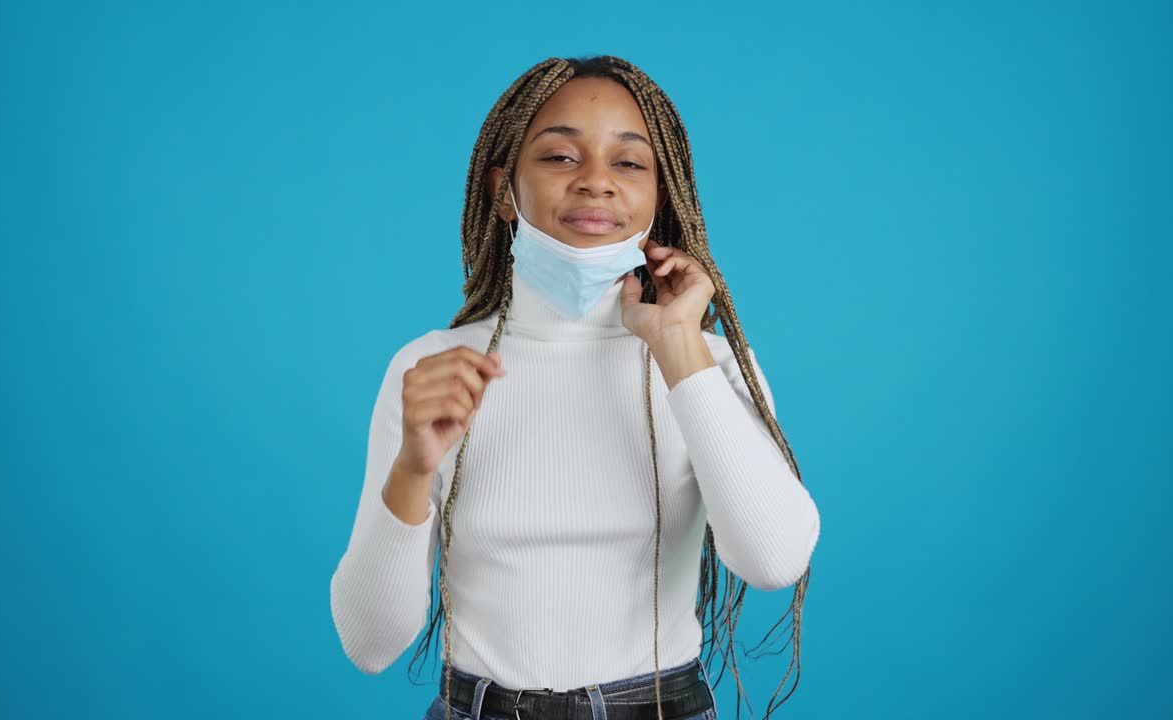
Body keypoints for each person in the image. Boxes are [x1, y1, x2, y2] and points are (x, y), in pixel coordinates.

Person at [330, 55, 821, 720]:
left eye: (629, 163)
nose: (595, 183)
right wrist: (412, 469)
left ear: (660, 195)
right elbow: (369, 646)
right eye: (560, 157)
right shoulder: (431, 372)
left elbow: (773, 560)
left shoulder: (706, 366)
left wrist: (676, 346)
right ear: (504, 191)